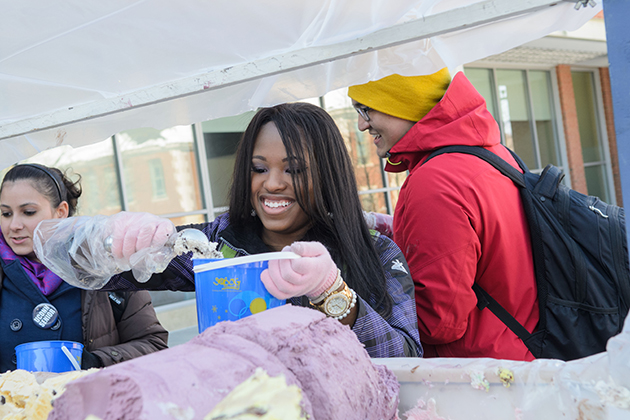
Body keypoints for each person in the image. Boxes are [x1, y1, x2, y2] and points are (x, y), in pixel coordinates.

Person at [103, 102, 421, 358]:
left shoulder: (376, 251)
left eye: (293, 169)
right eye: (259, 169)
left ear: (328, 175)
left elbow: (405, 356)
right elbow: (98, 276)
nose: (272, 183)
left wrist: (332, 293)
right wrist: (111, 240)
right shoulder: (217, 245)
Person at [347, 69, 539, 361]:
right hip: (522, 352)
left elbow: (438, 322)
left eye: (366, 109)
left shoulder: (434, 182)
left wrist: (347, 298)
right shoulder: (492, 153)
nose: (361, 125)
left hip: (477, 379)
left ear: (403, 102)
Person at [0, 164, 168, 373]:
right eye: (6, 213)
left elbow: (154, 344)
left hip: (91, 402)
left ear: (61, 212)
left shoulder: (108, 265)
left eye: (28, 212)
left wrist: (96, 362)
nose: (13, 225)